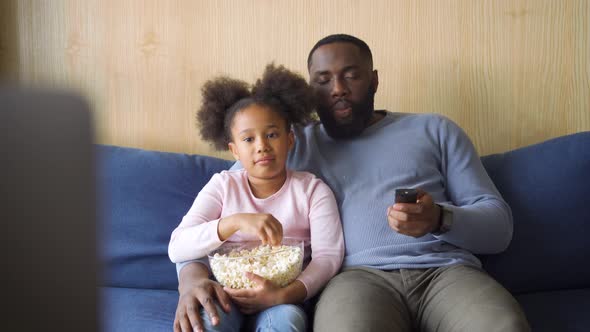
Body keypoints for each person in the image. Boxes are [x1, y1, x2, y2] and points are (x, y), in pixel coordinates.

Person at [175, 34, 531, 332]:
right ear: (309, 88)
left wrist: (440, 219)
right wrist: (190, 280)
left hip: (447, 272)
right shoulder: (284, 142)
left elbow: (500, 228)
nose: (338, 89)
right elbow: (206, 224)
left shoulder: (434, 130)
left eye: (351, 75)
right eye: (324, 80)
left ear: (374, 79)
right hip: (357, 280)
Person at [169, 63, 344, 332]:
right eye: (248, 139)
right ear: (234, 150)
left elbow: (328, 257)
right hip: (226, 292)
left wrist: (284, 295)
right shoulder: (223, 186)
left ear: (290, 140)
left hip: (282, 297)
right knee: (208, 325)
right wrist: (235, 222)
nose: (262, 145)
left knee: (288, 324)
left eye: (272, 134)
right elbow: (177, 246)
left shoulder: (312, 191)